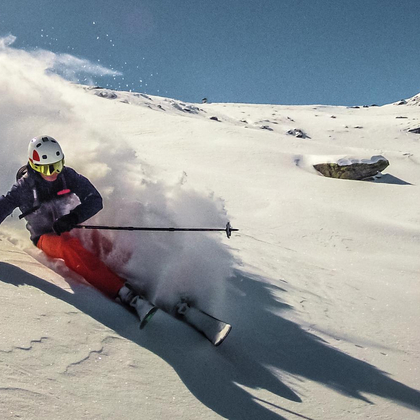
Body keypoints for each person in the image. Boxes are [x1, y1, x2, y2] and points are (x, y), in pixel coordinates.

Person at [0, 135, 157, 327]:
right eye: (48, 168)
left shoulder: (67, 176)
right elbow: (3, 206)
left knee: (99, 240)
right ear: (34, 165)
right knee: (70, 247)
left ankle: (144, 279)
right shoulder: (24, 188)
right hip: (44, 237)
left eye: (57, 165)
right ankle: (125, 294)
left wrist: (73, 218)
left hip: (69, 227)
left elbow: (95, 199)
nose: (54, 173)